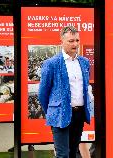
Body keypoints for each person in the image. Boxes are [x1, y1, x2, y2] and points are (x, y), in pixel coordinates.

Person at [39, 26, 91, 158]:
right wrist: (53, 110)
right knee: (62, 155)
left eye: (77, 40)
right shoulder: (52, 63)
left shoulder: (84, 62)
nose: (75, 44)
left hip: (79, 114)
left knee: (73, 152)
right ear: (61, 41)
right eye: (71, 41)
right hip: (60, 114)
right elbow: (43, 93)